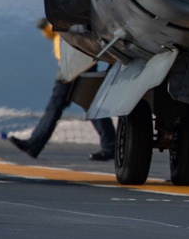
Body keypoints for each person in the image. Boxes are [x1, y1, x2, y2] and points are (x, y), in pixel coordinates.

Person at [9, 19, 115, 161]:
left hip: (76, 63)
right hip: (75, 63)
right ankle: (110, 145)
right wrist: (46, 28)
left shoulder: (72, 12)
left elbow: (68, 31)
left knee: (57, 106)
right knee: (90, 106)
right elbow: (57, 33)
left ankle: (35, 143)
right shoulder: (65, 13)